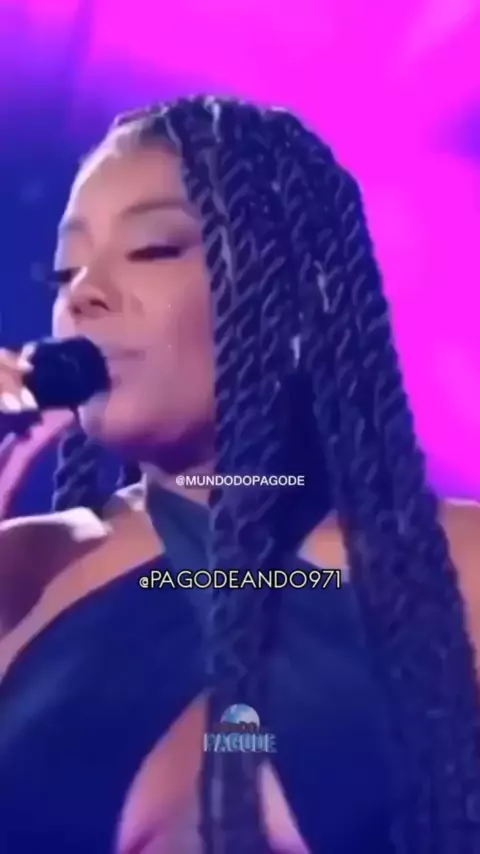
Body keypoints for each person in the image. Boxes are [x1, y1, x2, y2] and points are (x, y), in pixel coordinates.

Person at [0, 96, 479, 854]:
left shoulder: (457, 570)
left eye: (153, 249)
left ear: (293, 295)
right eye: (65, 270)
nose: (81, 293)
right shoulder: (29, 567)